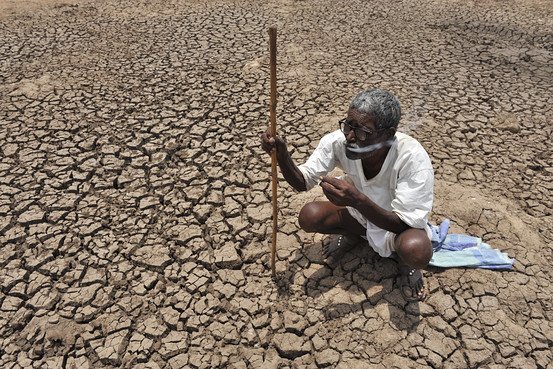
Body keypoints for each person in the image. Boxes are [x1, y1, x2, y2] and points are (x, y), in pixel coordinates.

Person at [260, 88, 434, 301]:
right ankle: (355, 234)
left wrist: (356, 200)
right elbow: (302, 181)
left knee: (416, 251)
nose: (350, 136)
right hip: (361, 216)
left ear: (387, 135)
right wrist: (282, 156)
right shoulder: (338, 142)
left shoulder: (412, 158)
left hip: (395, 226)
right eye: (348, 125)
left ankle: (405, 266)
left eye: (362, 131)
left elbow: (405, 223)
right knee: (309, 216)